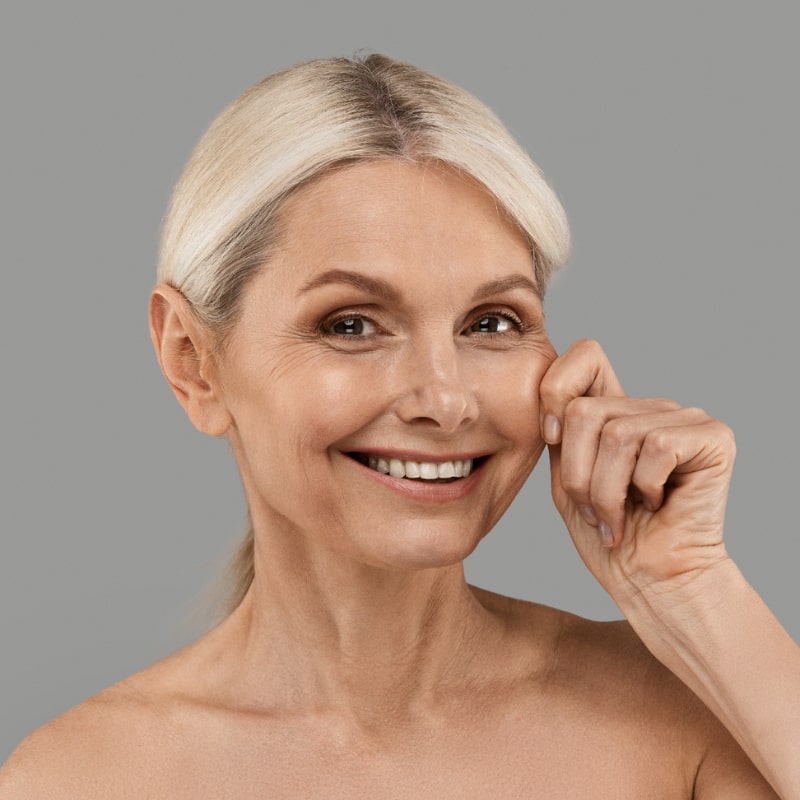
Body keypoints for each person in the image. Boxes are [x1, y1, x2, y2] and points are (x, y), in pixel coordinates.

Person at [1, 53, 797, 799]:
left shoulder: (689, 713)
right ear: (192, 362)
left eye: (491, 323)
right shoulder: (83, 777)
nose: (444, 401)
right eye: (351, 325)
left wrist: (695, 592)